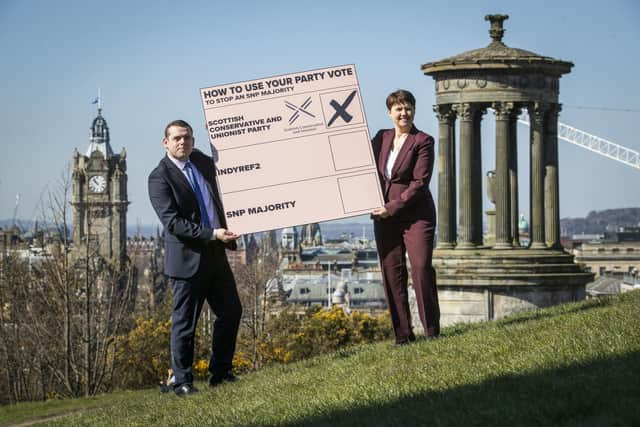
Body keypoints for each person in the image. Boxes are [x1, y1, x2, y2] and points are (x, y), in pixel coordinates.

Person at [148, 119, 242, 396]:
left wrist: (226, 123)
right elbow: (173, 222)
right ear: (165, 142)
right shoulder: (159, 177)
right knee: (185, 324)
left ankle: (221, 374)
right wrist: (213, 234)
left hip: (216, 256)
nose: (183, 142)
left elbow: (228, 158)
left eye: (187, 138)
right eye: (177, 138)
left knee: (231, 312)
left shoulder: (200, 161)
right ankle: (182, 381)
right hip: (188, 260)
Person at [371, 90, 440, 344]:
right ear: (390, 113)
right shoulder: (381, 138)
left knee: (421, 269)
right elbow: (361, 165)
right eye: (398, 109)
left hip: (416, 215)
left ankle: (431, 331)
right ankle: (403, 336)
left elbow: (420, 182)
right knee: (392, 274)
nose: (404, 113)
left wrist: (394, 206)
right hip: (383, 216)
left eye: (408, 108)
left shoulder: (423, 140)